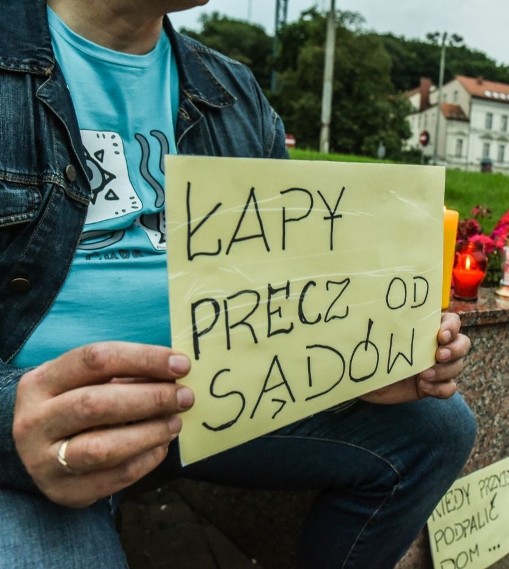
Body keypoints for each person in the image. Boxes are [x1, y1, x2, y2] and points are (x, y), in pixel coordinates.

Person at [0, 1, 476, 568]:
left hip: (213, 397)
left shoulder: (231, 90)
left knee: (438, 428)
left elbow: (288, 289)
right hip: (39, 431)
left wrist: (358, 361)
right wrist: (10, 423)